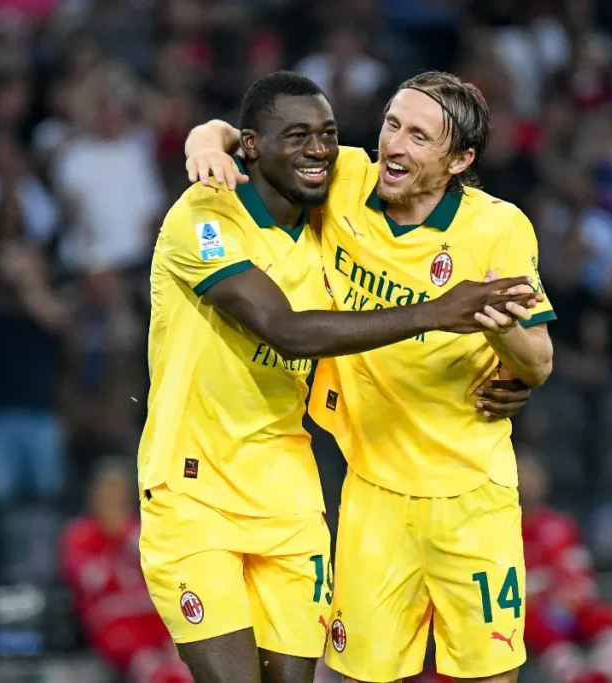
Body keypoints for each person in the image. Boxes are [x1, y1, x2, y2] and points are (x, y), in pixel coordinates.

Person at [139, 71, 541, 683]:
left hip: (313, 491)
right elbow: (289, 330)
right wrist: (204, 139)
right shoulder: (213, 217)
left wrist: (518, 366)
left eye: (327, 135)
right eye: (391, 126)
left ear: (460, 159)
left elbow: (537, 353)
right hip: (206, 490)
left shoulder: (345, 202)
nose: (392, 147)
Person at [62, 459, 192, 683]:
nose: (113, 499)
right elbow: (91, 581)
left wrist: (125, 537)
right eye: (107, 492)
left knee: (184, 664)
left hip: (153, 615)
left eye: (118, 491)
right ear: (95, 496)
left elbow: (161, 569)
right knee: (149, 667)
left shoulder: (139, 529)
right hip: (112, 619)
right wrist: (112, 542)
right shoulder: (79, 534)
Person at [518, 456, 612, 683]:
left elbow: (578, 570)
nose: (526, 485)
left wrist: (572, 597)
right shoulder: (503, 528)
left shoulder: (560, 526)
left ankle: (598, 677)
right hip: (527, 614)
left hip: (568, 608)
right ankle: (574, 678)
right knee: (532, 621)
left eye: (531, 477)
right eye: (520, 478)